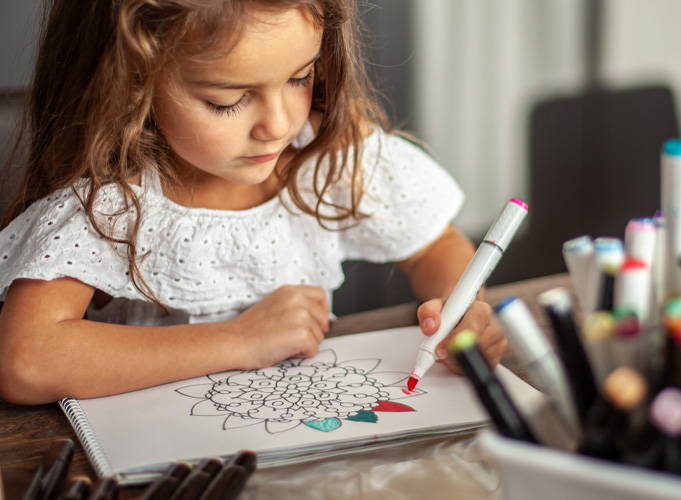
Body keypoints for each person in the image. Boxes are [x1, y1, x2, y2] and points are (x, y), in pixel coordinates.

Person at [0, 0, 507, 405]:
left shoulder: (324, 158)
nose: (280, 124)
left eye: (299, 77)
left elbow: (432, 246)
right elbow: (27, 358)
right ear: (135, 82)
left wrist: (466, 314)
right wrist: (239, 340)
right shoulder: (114, 200)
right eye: (227, 101)